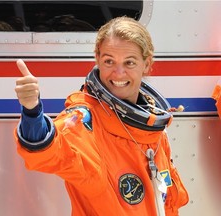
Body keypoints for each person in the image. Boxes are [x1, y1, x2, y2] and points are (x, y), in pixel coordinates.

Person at [14, 16, 189, 215]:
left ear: (147, 64)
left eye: (129, 62)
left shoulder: (153, 127)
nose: (118, 73)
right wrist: (32, 111)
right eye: (109, 61)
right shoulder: (85, 119)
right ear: (97, 59)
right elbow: (52, 152)